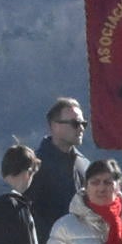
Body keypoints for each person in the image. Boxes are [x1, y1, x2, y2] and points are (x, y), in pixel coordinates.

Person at [32, 97, 92, 230]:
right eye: (76, 123)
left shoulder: (85, 166)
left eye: (84, 124)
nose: (81, 129)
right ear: (54, 125)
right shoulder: (34, 165)